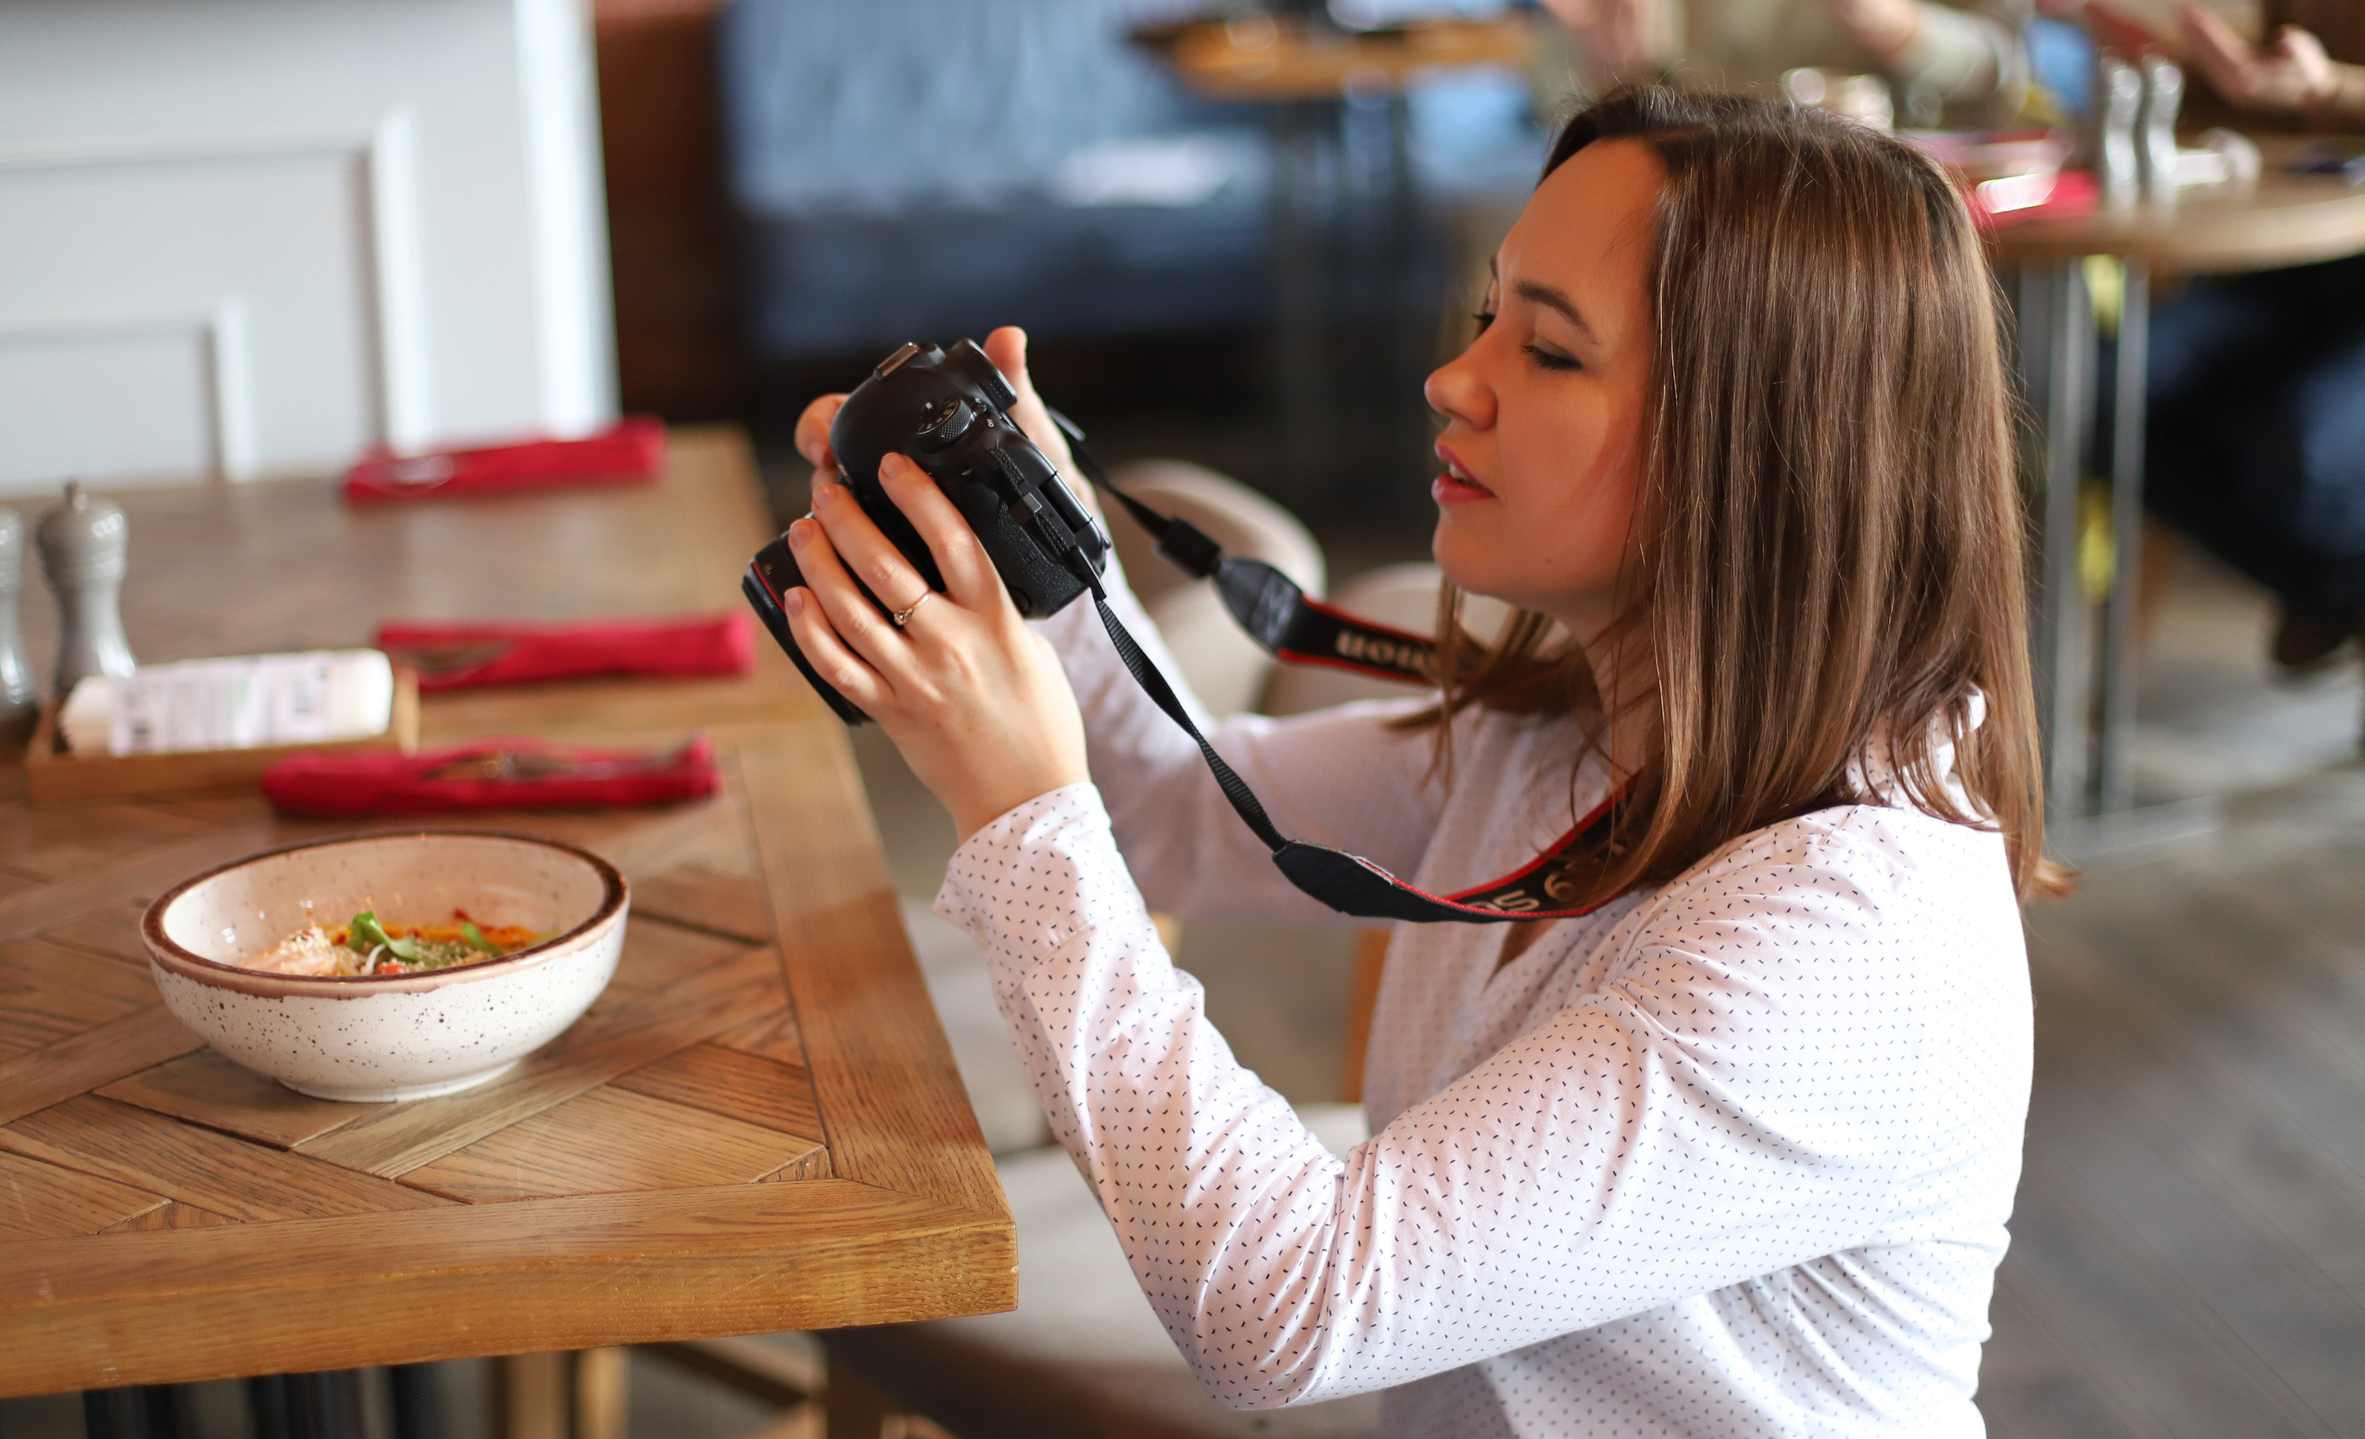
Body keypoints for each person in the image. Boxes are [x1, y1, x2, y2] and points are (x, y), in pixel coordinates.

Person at [778, 88, 2050, 1436]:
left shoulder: (1842, 942)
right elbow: (1171, 812)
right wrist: (1036, 536)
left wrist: (1022, 808)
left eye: (1548, 352)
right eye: (1482, 316)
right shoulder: (1590, 727)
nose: (1454, 380)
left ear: (1758, 446)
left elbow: (1284, 1307)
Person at [2090, 1, 2365, 670]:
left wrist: (2332, 90)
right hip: (2290, 256)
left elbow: (2315, 88)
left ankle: (2336, 591)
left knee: (2304, 459)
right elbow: (2260, 102)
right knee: (2090, 394)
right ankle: (2338, 592)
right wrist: (2193, 68)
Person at [1534, 0, 2034, 127]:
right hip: (1711, 194)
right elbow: (1563, 89)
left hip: (1894, 212)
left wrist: (1894, 25)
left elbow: (2002, 74)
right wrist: (1632, 63)